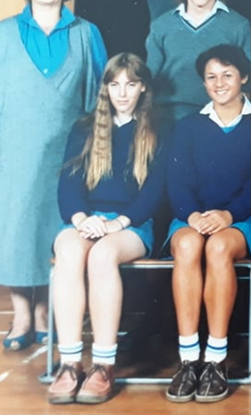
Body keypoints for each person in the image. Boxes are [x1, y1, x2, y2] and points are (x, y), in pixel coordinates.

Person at [0, 0, 107, 353]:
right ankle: (22, 314)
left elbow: (99, 95)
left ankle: (46, 312)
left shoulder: (85, 32)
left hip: (67, 152)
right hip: (12, 151)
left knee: (54, 229)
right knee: (17, 231)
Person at [47, 53, 168, 405]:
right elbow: (68, 186)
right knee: (69, 250)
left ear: (143, 87)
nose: (123, 92)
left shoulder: (158, 130)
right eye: (115, 85)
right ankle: (69, 364)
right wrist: (82, 219)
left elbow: (156, 192)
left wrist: (118, 222)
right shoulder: (84, 128)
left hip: (133, 224)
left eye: (131, 84)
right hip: (87, 219)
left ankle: (102, 365)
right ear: (105, 88)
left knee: (101, 257)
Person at [165, 44, 251, 404]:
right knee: (186, 245)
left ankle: (215, 358)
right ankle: (188, 359)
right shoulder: (188, 126)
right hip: (193, 216)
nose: (220, 83)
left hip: (244, 219)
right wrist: (193, 214)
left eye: (227, 75)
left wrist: (228, 215)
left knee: (218, 247)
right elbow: (177, 179)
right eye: (211, 77)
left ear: (243, 77)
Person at [147, 0, 251, 122]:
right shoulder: (161, 26)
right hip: (170, 118)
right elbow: (149, 82)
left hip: (219, 116)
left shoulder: (238, 26)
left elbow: (247, 87)